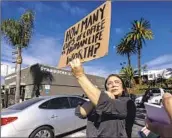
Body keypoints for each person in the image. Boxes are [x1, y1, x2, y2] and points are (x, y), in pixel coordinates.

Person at [69, 58, 136, 138]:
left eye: (117, 82)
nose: (113, 85)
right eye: (109, 83)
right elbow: (81, 113)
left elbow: (105, 104)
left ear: (123, 88)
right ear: (106, 88)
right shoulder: (98, 100)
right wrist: (93, 99)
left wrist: (80, 75)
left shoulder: (127, 103)